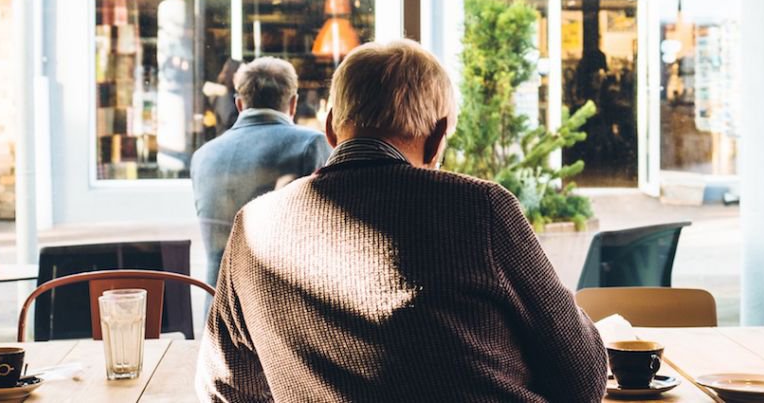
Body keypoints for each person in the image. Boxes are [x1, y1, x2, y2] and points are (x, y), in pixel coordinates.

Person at [196, 40, 608, 402]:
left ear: (330, 129)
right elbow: (583, 381)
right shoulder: (480, 208)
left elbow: (226, 388)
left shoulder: (253, 227)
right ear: (437, 136)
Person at [190, 57, 331, 288]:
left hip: (216, 308)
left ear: (239, 105)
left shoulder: (203, 155)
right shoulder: (310, 145)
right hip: (278, 308)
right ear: (293, 103)